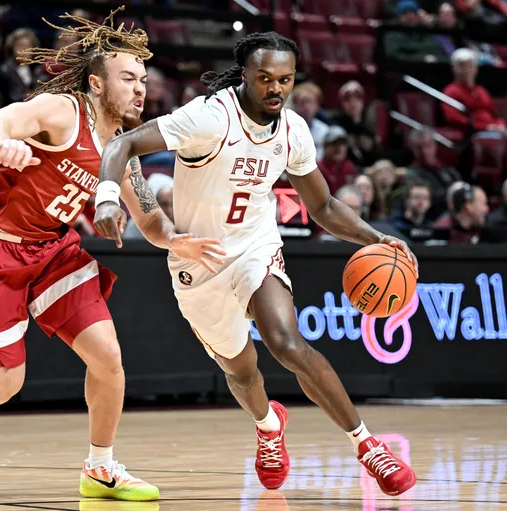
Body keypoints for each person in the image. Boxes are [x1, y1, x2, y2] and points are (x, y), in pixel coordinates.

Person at [93, 31, 420, 496]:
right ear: (245, 75)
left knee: (287, 343)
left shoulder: (292, 131)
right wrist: (108, 198)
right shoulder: (208, 118)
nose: (275, 89)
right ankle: (268, 425)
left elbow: (323, 207)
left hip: (255, 247)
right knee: (241, 372)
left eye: (284, 80)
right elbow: (120, 145)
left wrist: (375, 237)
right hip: (197, 260)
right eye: (264, 78)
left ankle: (367, 445)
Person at [0, 9, 223, 503]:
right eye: (128, 78)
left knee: (108, 356)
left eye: (144, 79)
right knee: (0, 387)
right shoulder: (64, 110)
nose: (140, 88)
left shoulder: (123, 148)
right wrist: (4, 146)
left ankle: (100, 468)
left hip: (53, 250)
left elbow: (148, 219)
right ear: (98, 84)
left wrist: (175, 238)